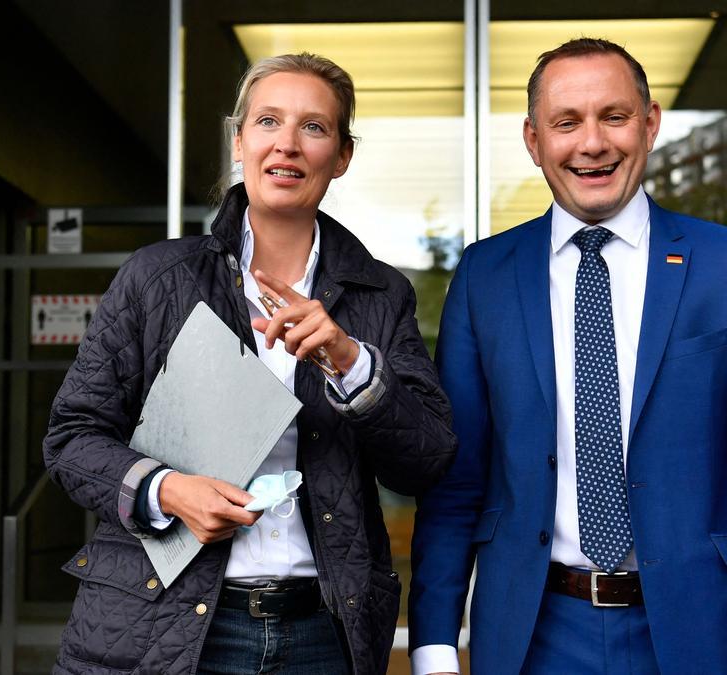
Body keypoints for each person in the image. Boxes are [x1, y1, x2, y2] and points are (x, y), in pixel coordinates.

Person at [408, 38, 727, 674]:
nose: (592, 143)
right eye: (566, 122)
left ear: (650, 123)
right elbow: (457, 477)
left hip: (697, 633)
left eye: (614, 116)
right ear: (533, 141)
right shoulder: (485, 276)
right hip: (532, 637)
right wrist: (435, 645)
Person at [44, 53, 456, 675]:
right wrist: (167, 490)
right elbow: (71, 439)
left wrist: (350, 365)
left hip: (325, 625)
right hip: (166, 618)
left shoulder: (380, 295)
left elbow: (426, 461)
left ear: (341, 156)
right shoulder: (157, 279)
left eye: (313, 128)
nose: (287, 144)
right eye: (268, 121)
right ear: (240, 141)